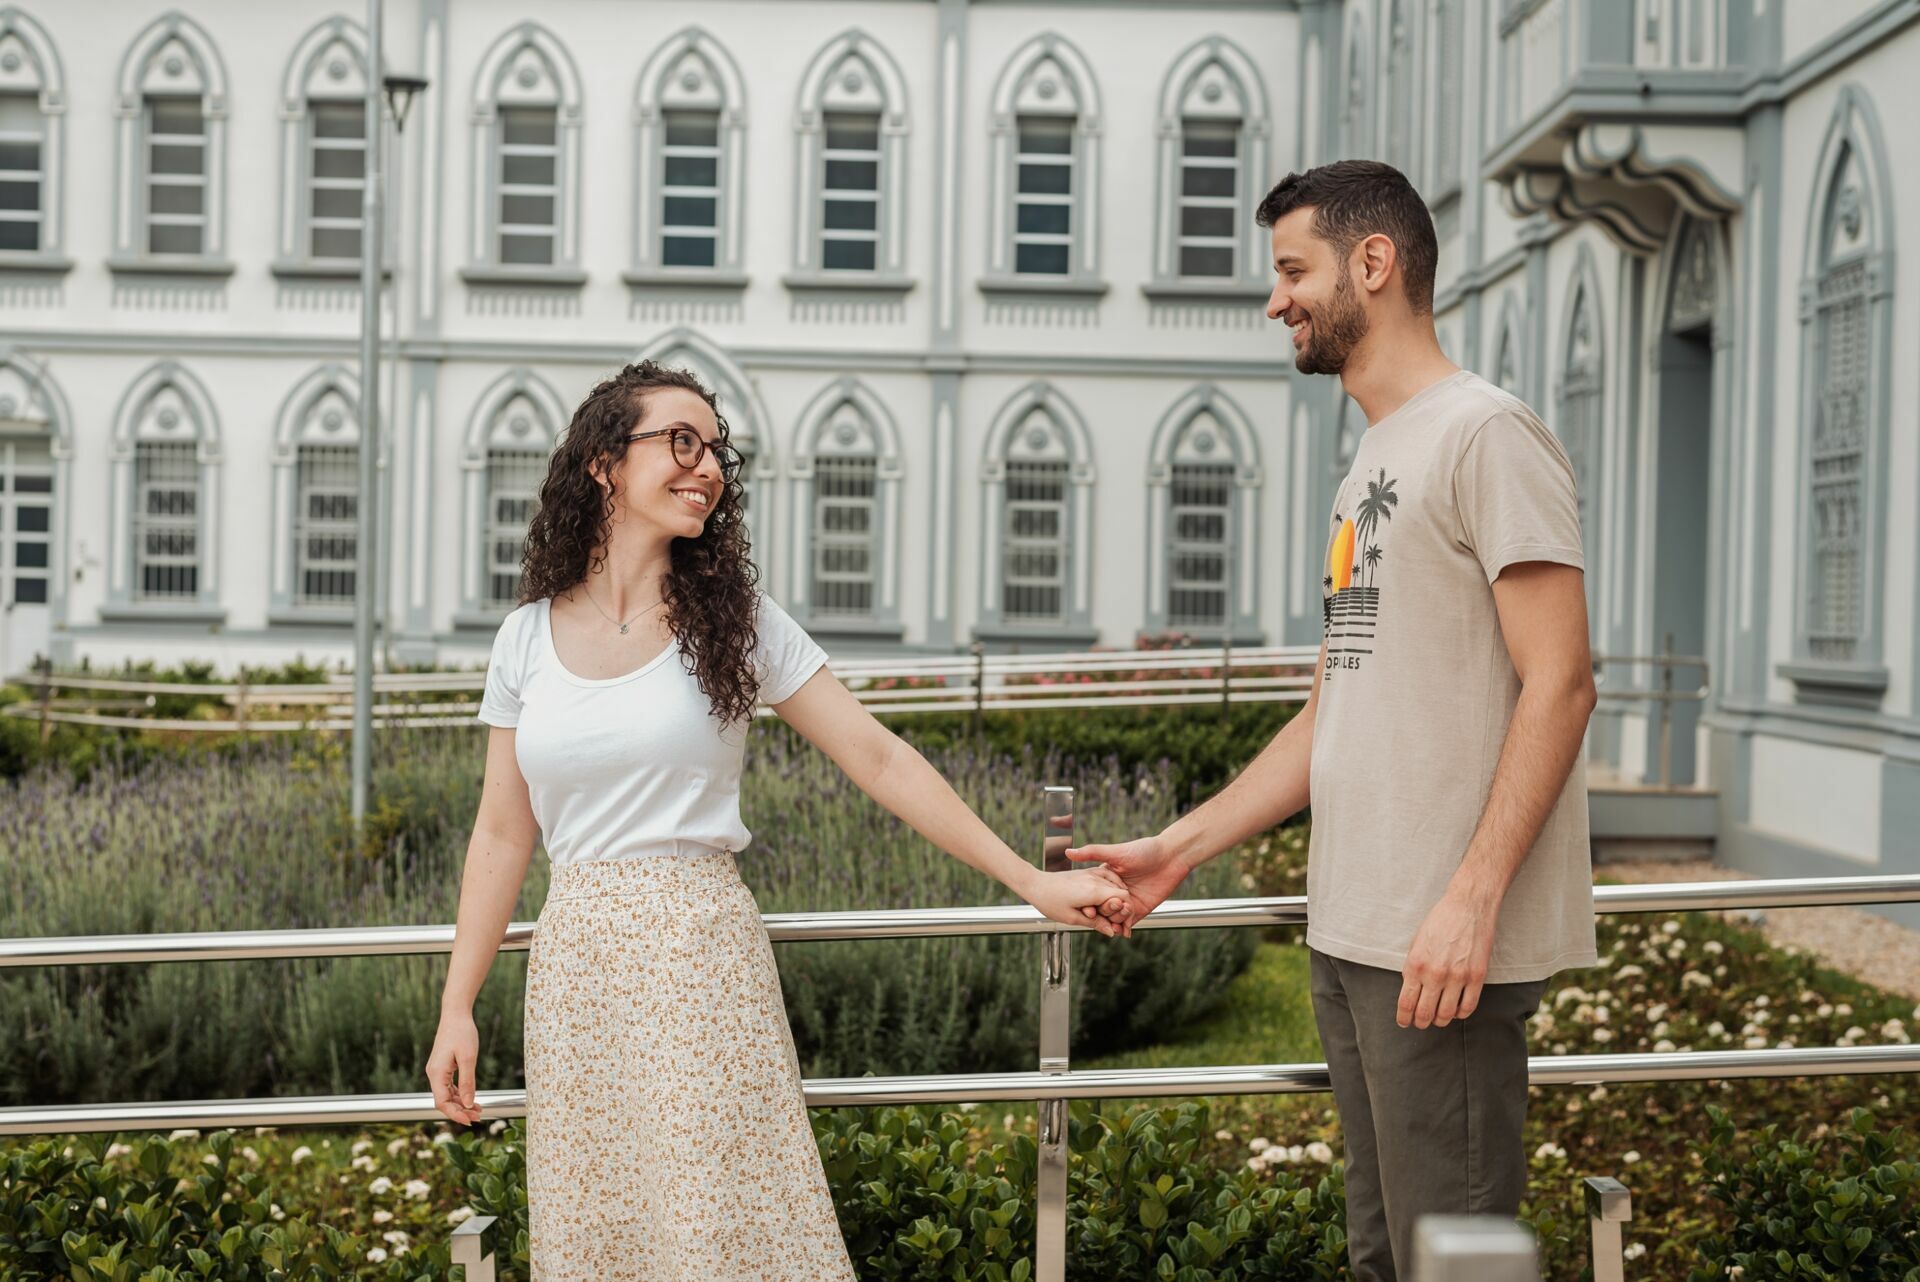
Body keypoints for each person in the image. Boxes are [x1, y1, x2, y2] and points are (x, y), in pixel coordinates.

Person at [423, 360, 1132, 1282]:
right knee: (602, 1234)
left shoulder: (737, 622)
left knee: (724, 1229)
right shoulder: (524, 639)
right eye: (681, 441)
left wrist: (1031, 880)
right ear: (603, 463)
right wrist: (456, 1007)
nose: (708, 466)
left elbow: (876, 755)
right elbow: (501, 833)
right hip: (576, 975)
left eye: (716, 448)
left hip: (700, 959)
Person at [1069, 160, 1599, 1280]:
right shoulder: (1370, 456)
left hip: (1438, 946)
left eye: (1293, 269)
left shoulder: (1487, 434)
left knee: (1448, 1259)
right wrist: (1179, 849)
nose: (1277, 301)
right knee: (1382, 1259)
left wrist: (1473, 897)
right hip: (1353, 929)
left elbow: (1562, 682)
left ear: (1375, 263)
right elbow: (1336, 706)